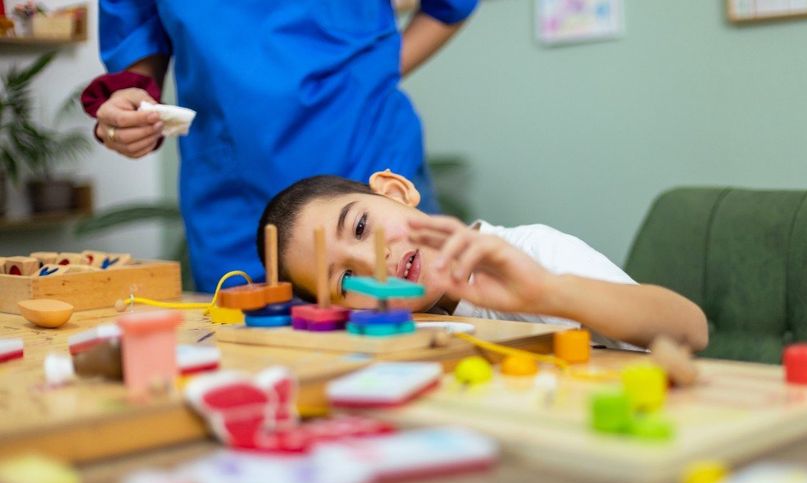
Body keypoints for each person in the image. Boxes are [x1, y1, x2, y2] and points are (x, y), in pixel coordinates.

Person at [82, 1, 478, 291]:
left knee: (411, 350)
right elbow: (135, 49)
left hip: (363, 149)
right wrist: (130, 112)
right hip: (235, 199)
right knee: (252, 359)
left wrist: (377, 72)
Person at [257, 171, 709, 351]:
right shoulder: (417, 329)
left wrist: (550, 292)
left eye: (359, 228)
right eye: (347, 278)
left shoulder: (533, 250)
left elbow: (692, 328)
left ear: (396, 191)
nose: (376, 264)